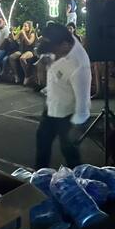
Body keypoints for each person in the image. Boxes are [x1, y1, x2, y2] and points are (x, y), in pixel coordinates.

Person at [33, 23, 91, 169]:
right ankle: (40, 175)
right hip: (52, 103)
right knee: (42, 140)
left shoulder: (80, 66)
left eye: (55, 52)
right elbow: (46, 50)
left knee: (69, 150)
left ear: (65, 45)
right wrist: (45, 58)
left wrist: (76, 127)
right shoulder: (62, 39)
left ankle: (77, 178)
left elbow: (83, 102)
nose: (54, 56)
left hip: (68, 113)